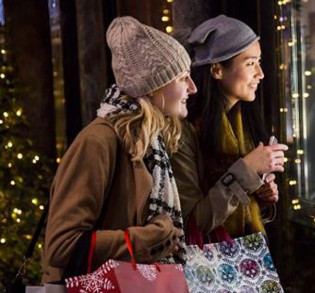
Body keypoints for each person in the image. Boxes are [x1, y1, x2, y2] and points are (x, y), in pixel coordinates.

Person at [42, 16, 197, 283]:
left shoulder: (151, 142)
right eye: (183, 78)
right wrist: (152, 238)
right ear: (154, 86)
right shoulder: (98, 142)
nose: (192, 88)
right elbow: (62, 247)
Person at [170, 15, 288, 238]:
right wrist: (246, 171)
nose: (260, 74)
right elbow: (192, 225)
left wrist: (260, 195)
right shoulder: (183, 132)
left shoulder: (240, 123)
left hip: (243, 256)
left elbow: (236, 209)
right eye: (250, 63)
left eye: (259, 62)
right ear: (217, 70)